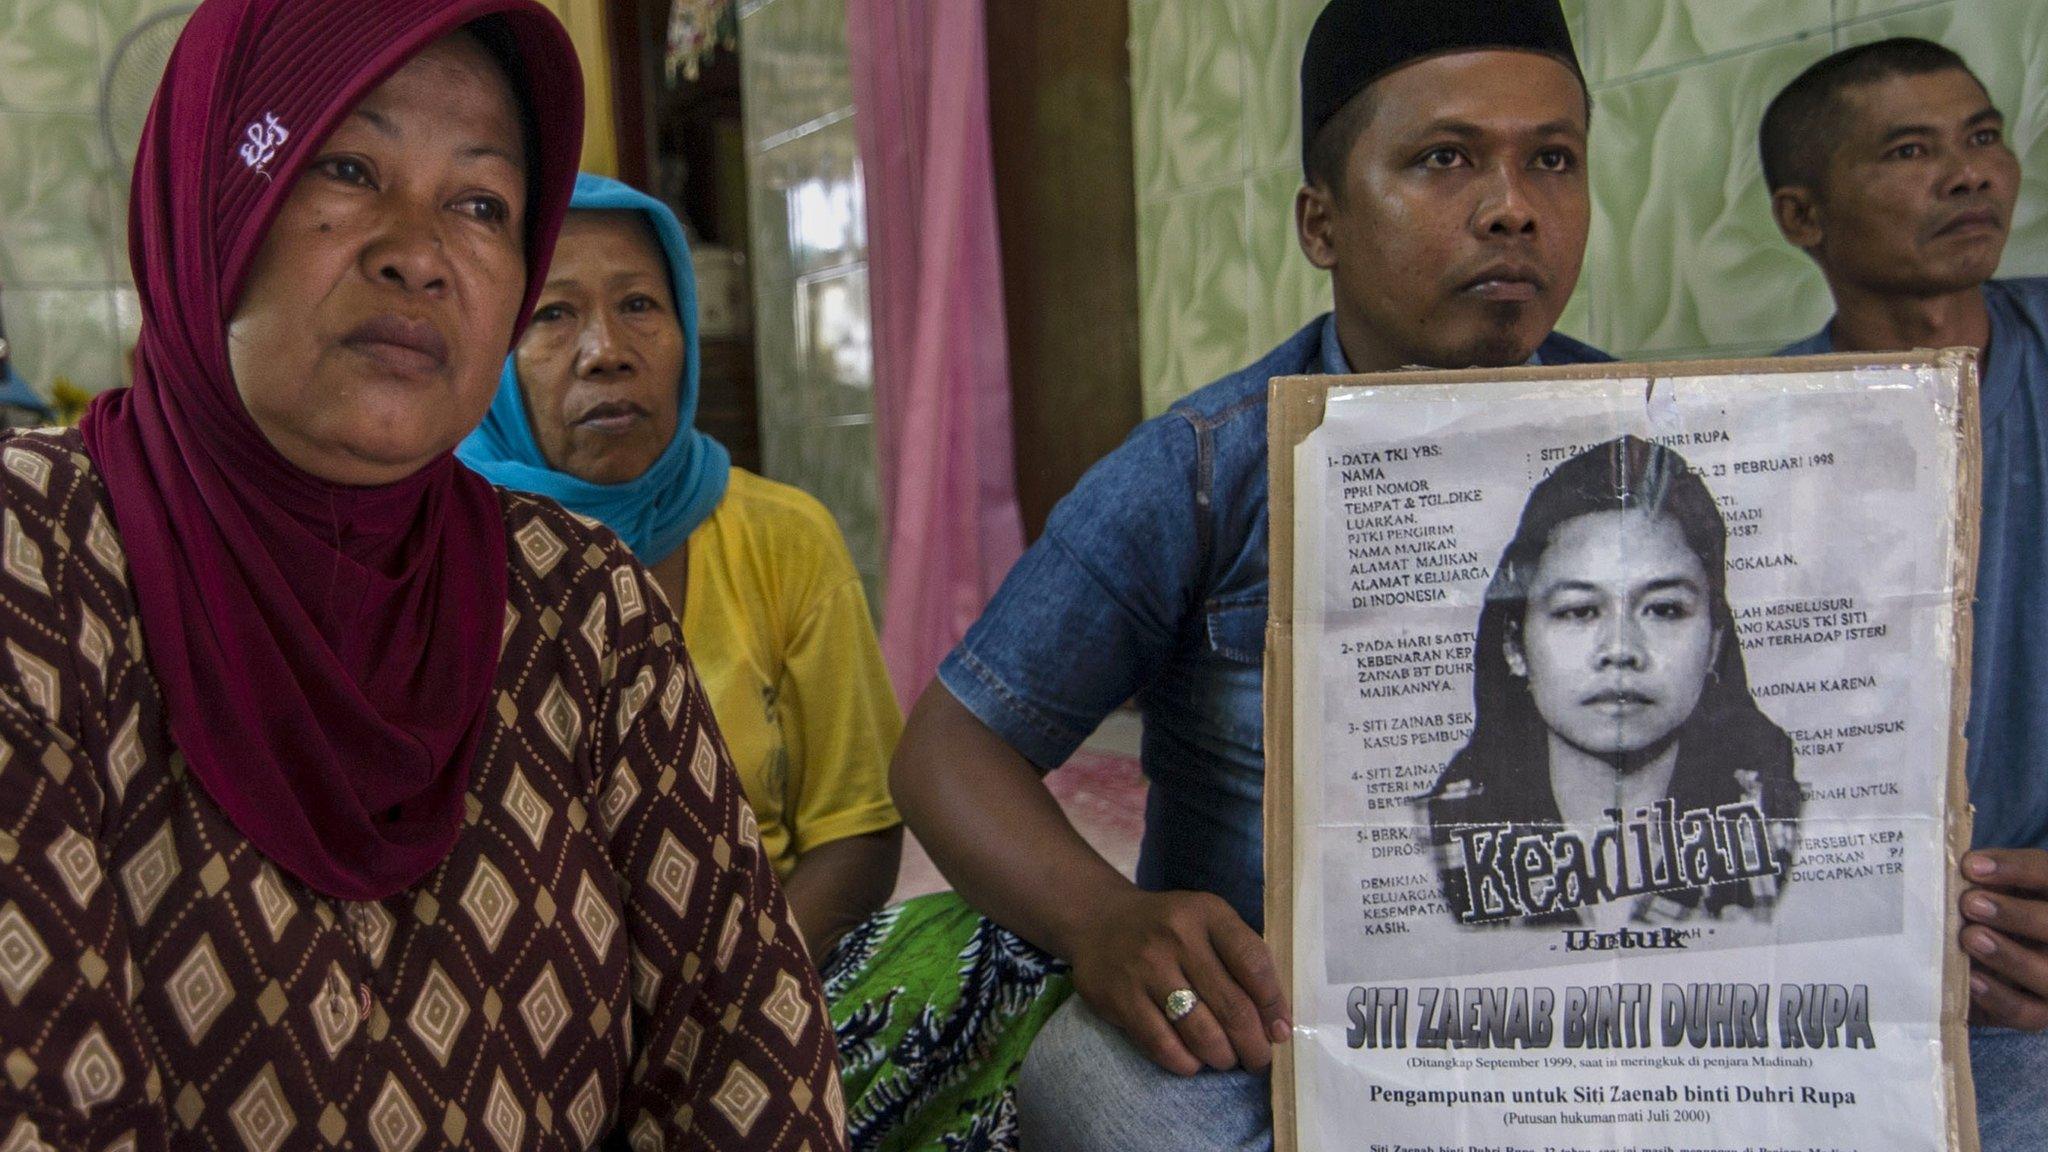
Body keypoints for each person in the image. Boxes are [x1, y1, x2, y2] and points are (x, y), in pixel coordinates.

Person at [0, 2, 845, 1148]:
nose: (418, 250)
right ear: (211, 202)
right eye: (347, 166)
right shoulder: (35, 554)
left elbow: (750, 1046)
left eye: (482, 204)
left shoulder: (580, 603)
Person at [887, 1, 1609, 1148]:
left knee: (1993, 1070)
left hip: (1611, 1017)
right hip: (1284, 1036)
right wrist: (1105, 920)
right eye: (1443, 159)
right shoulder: (1206, 470)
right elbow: (947, 751)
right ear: (1319, 224)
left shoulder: (1679, 441)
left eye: (1552, 160)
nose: (1511, 206)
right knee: (1100, 1087)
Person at [460, 174, 1073, 1149]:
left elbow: (858, 834)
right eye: (552, 315)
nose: (606, 351)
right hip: (523, 1014)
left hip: (765, 972)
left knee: (1008, 953)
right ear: (487, 351)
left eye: (639, 306)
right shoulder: (439, 553)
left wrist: (730, 998)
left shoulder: (781, 536)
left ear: (686, 334)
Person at [1760, 37, 2048, 1151]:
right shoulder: (1759, 441)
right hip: (1857, 971)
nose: (1968, 173)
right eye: (1908, 150)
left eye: (1981, 138)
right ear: (1801, 216)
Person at [1429, 437, 1799, 929]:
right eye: (1579, 611)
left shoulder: (1794, 831)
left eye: (1665, 609)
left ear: (1714, 644)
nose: (1621, 648)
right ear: (1514, 648)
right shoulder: (1423, 842)